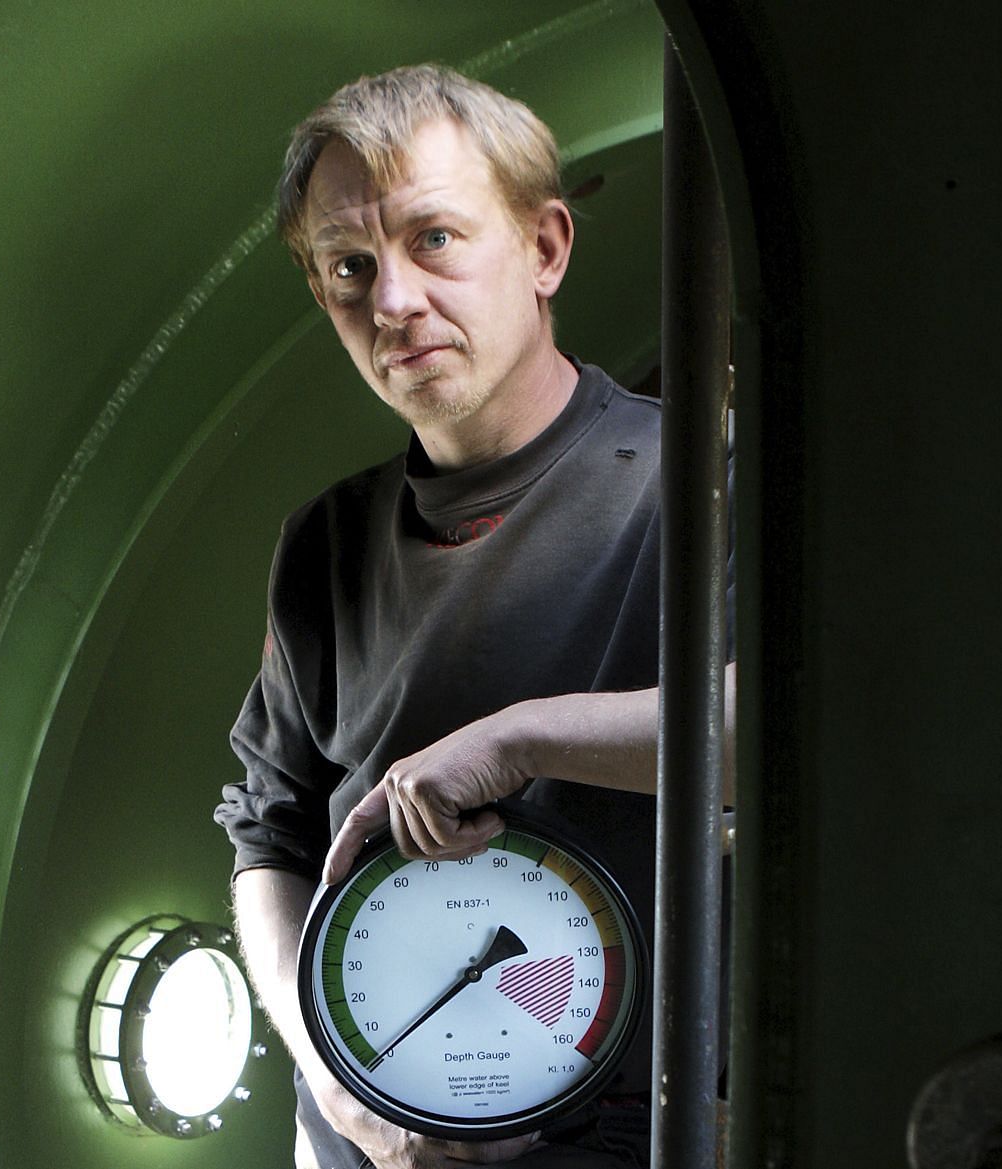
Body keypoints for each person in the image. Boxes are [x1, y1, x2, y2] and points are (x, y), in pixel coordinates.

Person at [215, 64, 735, 1169]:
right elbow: (268, 831)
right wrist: (334, 1085)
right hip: (362, 1138)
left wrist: (516, 738)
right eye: (349, 265)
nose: (392, 299)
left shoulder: (696, 481)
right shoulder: (323, 540)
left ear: (545, 248)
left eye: (434, 239)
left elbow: (782, 733)